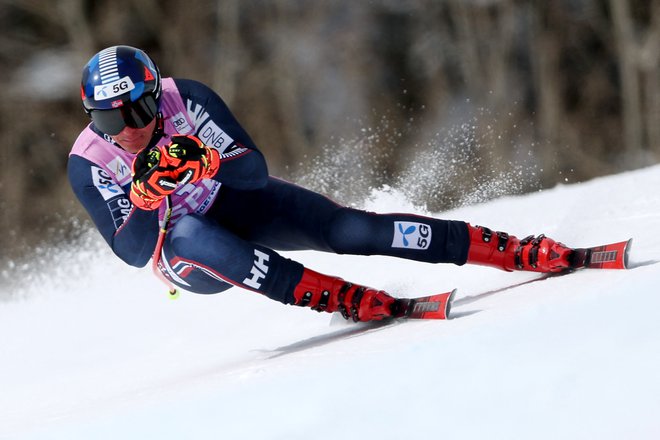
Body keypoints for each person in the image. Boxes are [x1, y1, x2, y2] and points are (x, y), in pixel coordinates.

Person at [69, 45, 577, 322]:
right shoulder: (88, 161)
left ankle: (512, 250)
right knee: (193, 235)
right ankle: (341, 297)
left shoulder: (189, 98)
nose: (129, 130)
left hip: (234, 199)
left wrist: (206, 162)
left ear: (157, 96)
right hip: (183, 255)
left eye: (137, 110)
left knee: (352, 231)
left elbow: (252, 170)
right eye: (110, 120)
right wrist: (144, 196)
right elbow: (134, 252)